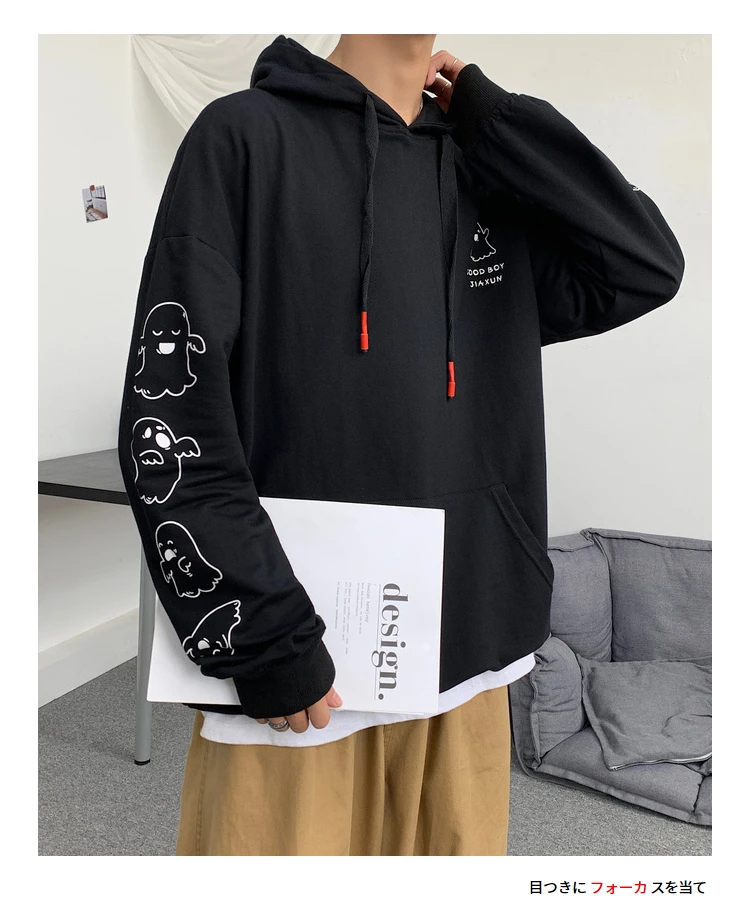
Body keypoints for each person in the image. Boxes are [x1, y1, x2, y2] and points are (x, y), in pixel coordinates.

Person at [117, 34, 684, 856]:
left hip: (471, 649)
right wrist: (263, 635)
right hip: (305, 672)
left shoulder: (490, 165)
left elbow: (643, 265)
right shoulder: (243, 138)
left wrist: (498, 121)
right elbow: (172, 414)